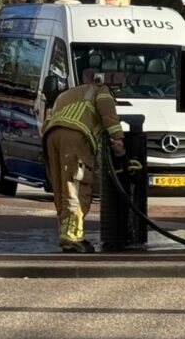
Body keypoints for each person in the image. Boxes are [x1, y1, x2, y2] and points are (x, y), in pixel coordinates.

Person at [42, 73, 125, 253]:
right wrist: (118, 140)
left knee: (61, 187)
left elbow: (48, 118)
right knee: (77, 185)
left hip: (51, 136)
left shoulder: (66, 95)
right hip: (76, 137)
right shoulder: (102, 91)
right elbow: (108, 115)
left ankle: (65, 233)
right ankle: (73, 237)